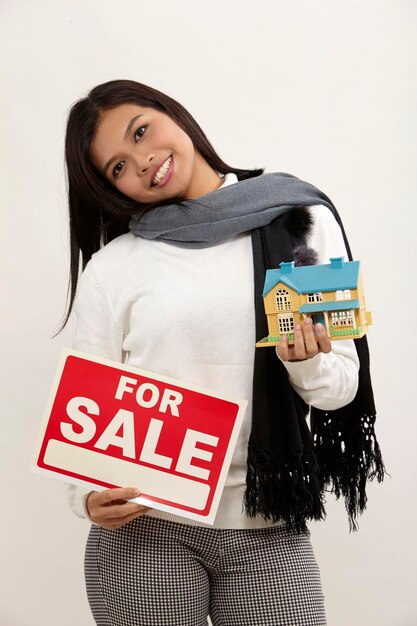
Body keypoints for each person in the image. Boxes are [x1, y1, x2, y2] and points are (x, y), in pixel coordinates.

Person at [62, 79, 383, 626]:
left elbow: (339, 389)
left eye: (142, 131)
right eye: (117, 167)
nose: (143, 161)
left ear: (173, 114)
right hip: (146, 529)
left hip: (267, 520)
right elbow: (85, 417)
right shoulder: (114, 267)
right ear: (111, 190)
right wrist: (87, 498)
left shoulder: (298, 219)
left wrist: (304, 360)